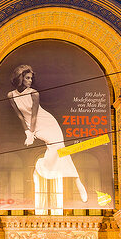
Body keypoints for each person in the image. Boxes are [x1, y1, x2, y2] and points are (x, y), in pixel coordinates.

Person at [7, 65, 89, 203]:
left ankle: (48, 172)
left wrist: (31, 134)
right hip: (31, 126)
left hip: (47, 123)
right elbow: (20, 116)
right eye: (27, 78)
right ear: (19, 78)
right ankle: (76, 181)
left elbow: (34, 115)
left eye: (31, 78)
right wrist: (28, 133)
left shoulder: (34, 93)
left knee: (60, 150)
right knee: (59, 150)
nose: (30, 81)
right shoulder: (11, 95)